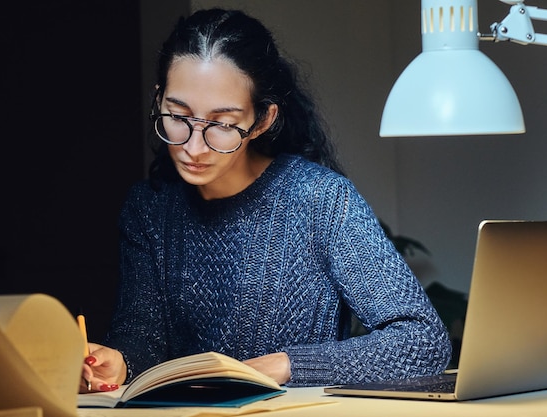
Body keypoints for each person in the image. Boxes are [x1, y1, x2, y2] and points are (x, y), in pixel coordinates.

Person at [80, 8, 451, 392]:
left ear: (262, 120)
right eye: (178, 115)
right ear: (159, 101)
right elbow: (143, 334)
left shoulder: (319, 199)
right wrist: (119, 361)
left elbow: (422, 340)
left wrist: (286, 365)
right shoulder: (149, 208)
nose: (192, 146)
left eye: (222, 124)